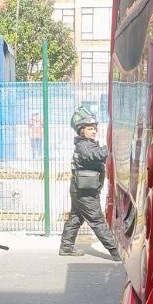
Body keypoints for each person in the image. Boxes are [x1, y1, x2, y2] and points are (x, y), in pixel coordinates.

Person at [59, 108, 121, 260]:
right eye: (90, 129)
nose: (94, 131)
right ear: (81, 131)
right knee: (97, 220)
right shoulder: (85, 146)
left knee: (76, 217)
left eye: (95, 128)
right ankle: (115, 251)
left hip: (80, 189)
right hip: (85, 193)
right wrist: (114, 147)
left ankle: (66, 247)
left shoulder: (86, 144)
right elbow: (98, 154)